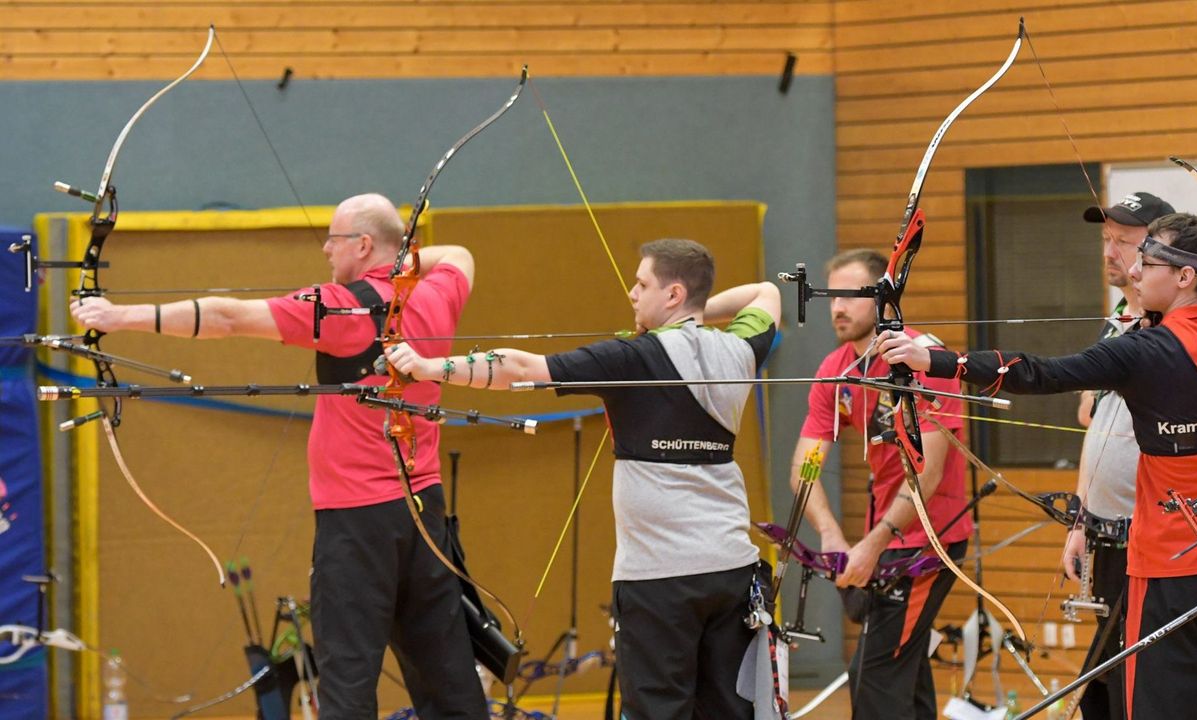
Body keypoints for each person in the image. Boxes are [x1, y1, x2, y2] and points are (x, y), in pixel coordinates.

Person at [69, 193, 487, 719]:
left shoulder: (340, 307)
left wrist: (116, 314)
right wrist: (403, 261)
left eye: (334, 241)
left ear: (362, 244)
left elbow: (225, 317)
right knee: (448, 679)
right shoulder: (435, 296)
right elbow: (461, 255)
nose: (326, 252)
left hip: (358, 524)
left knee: (346, 685)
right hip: (425, 516)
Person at [878, 213, 1197, 719]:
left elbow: (1041, 373)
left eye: (1149, 261)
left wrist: (935, 360)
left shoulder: (1143, 351)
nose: (1134, 271)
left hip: (1169, 573)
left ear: (1184, 276)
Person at [384, 238, 781, 720]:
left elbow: (522, 367)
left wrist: (428, 367)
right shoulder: (740, 350)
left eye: (643, 285)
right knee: (728, 712)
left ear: (673, 294)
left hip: (658, 580)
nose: (633, 294)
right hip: (731, 571)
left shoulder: (634, 357)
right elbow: (766, 294)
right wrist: (692, 314)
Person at [782, 249, 972, 719]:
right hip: (885, 537)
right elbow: (805, 466)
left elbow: (926, 471)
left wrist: (874, 542)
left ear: (883, 298)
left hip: (929, 543)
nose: (837, 308)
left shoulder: (924, 359)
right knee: (903, 673)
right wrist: (828, 531)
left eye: (850, 296)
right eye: (831, 297)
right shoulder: (836, 367)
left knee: (875, 678)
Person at [1066, 191, 1175, 719]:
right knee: (1107, 683)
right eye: (1106, 240)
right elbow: (1099, 436)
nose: (1110, 252)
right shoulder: (1117, 321)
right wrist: (1079, 519)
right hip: (1107, 535)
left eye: (1125, 242)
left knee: (1144, 680)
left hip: (1157, 537)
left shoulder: (1175, 329)